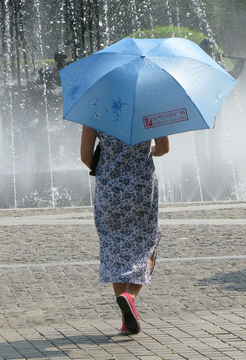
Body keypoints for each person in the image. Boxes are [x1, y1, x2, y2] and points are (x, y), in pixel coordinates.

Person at [80, 125, 170, 335]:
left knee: (115, 248)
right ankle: (130, 297)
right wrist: (149, 150)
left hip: (109, 190)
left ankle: (125, 321)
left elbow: (86, 157)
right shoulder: (147, 106)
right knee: (147, 242)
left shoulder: (96, 108)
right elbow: (164, 147)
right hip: (141, 188)